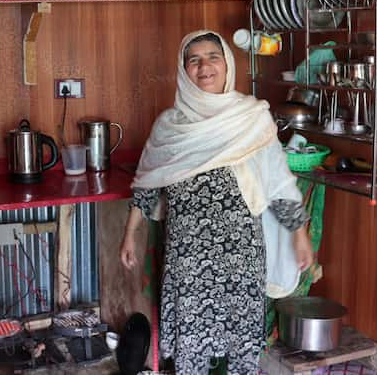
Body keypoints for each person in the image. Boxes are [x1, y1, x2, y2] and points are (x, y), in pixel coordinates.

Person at [119, 30, 313, 375]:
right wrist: (130, 232)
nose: (204, 66)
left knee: (242, 352)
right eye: (193, 59)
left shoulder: (251, 118)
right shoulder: (169, 127)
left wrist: (299, 235)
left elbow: (278, 181)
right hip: (188, 258)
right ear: (183, 70)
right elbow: (147, 185)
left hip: (239, 255)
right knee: (190, 352)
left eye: (213, 56)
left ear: (227, 64)